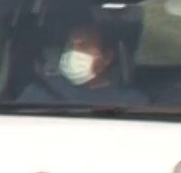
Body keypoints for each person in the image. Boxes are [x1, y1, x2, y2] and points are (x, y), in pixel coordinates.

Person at [15, 17, 146, 106]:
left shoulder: (130, 102)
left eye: (84, 47)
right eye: (70, 46)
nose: (73, 53)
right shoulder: (39, 92)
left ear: (106, 58)